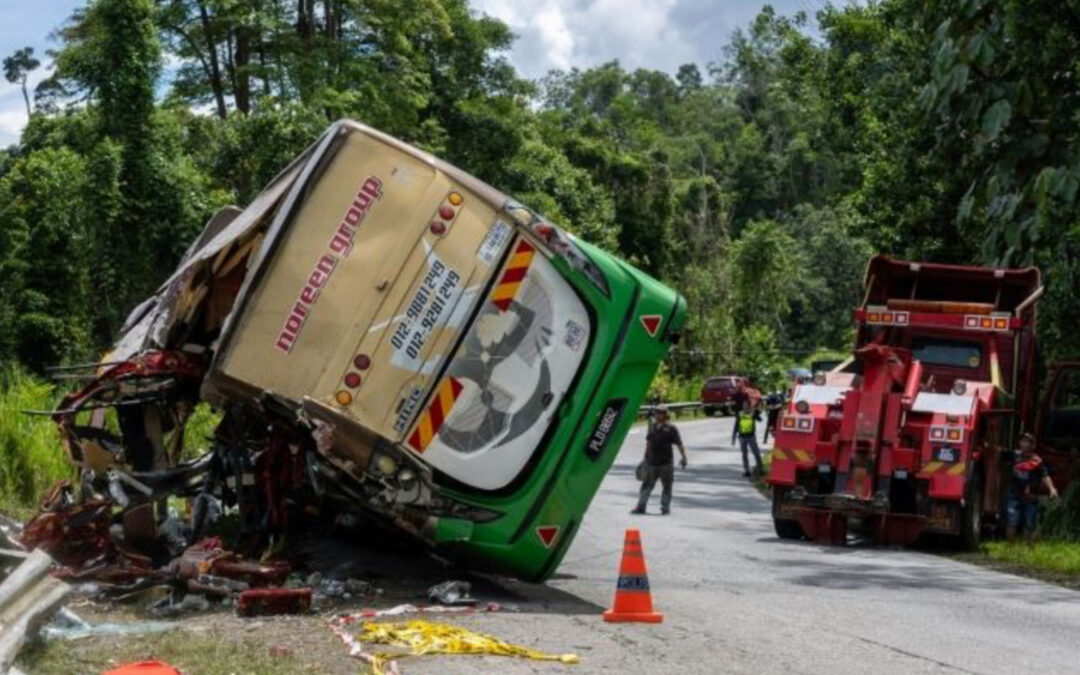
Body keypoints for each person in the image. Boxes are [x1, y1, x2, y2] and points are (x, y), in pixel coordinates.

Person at [632, 406, 687, 515]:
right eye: (656, 413)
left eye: (660, 413)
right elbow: (648, 443)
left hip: (666, 463)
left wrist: (683, 456)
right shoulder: (652, 427)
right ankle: (641, 507)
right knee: (646, 485)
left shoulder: (671, 428)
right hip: (652, 462)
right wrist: (645, 458)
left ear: (666, 414)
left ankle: (665, 507)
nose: (658, 415)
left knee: (667, 487)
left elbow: (679, 443)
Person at [1005, 432, 1058, 542]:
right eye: (1022, 441)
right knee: (1011, 522)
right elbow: (998, 451)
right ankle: (1009, 547)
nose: (1024, 444)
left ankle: (1030, 548)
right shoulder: (1014, 455)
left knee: (1030, 524)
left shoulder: (1037, 461)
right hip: (1014, 494)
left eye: (1027, 442)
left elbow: (1045, 476)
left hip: (1031, 496)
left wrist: (1051, 488)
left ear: (1032, 445)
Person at [732, 401, 764, 478]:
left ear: (749, 406)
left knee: (756, 453)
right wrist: (733, 437)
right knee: (744, 455)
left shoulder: (752, 413)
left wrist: (756, 412)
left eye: (746, 405)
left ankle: (760, 470)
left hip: (751, 437)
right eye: (744, 405)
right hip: (742, 437)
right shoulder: (740, 414)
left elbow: (760, 420)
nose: (745, 407)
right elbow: (736, 426)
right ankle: (747, 471)